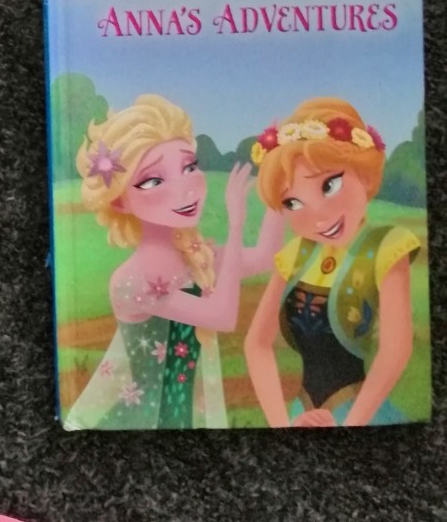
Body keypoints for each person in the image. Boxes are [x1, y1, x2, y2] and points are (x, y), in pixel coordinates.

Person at [63, 93, 283, 429]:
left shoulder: (197, 255)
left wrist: (279, 177)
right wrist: (237, 225)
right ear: (120, 201)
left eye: (189, 167)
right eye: (153, 181)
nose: (185, 188)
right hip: (140, 422)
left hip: (185, 417)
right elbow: (222, 317)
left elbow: (265, 257)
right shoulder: (132, 280)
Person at [244, 97, 420, 427]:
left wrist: (351, 424)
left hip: (362, 415)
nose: (319, 216)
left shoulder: (386, 245)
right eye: (293, 203)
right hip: (301, 417)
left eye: (330, 185)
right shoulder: (296, 254)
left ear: (364, 174)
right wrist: (281, 424)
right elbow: (256, 344)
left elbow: (395, 351)